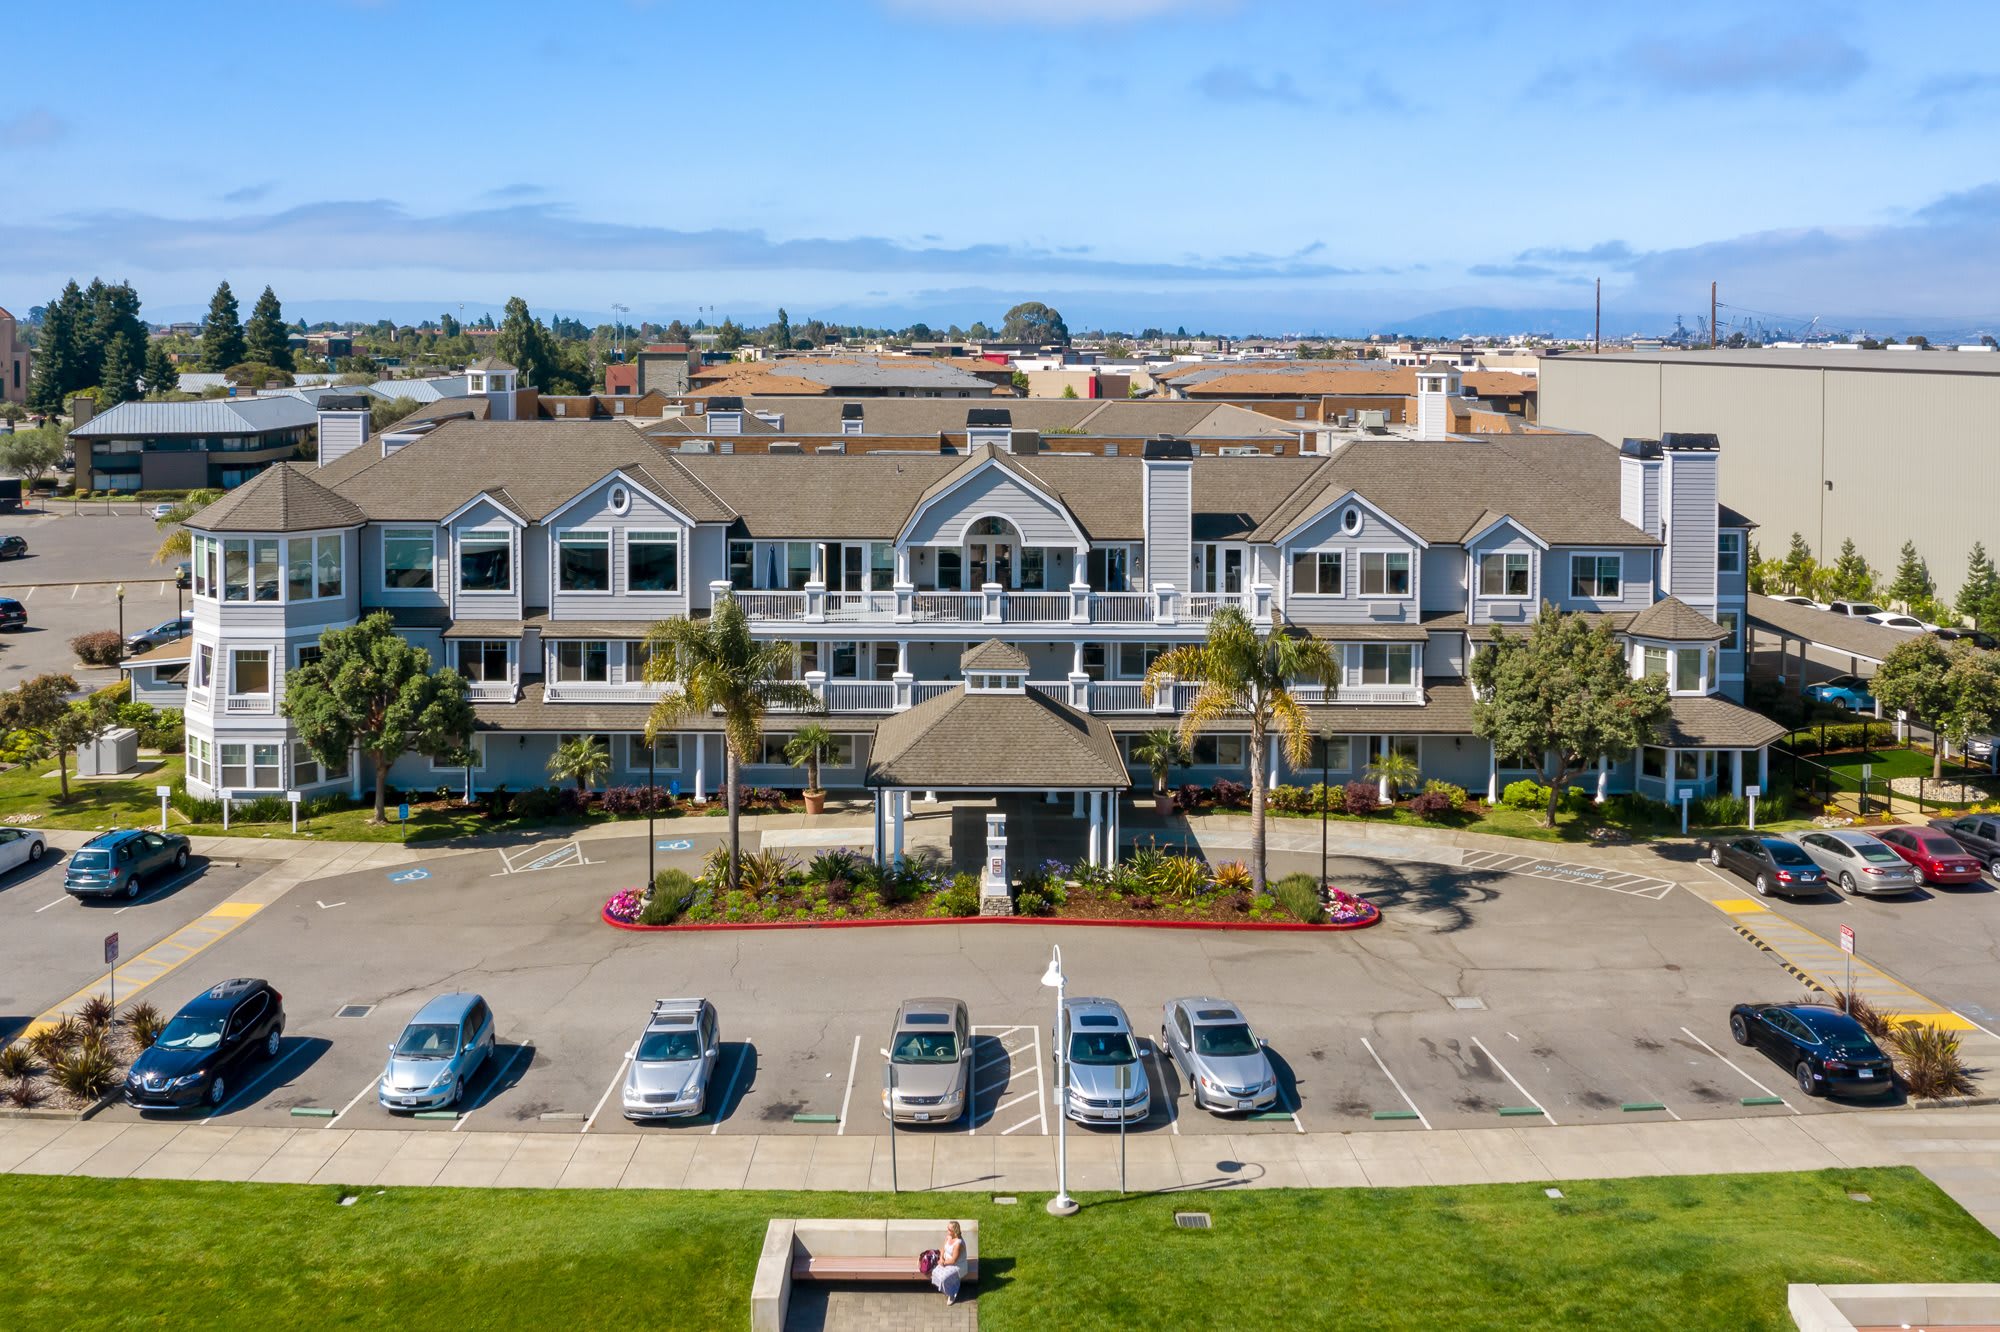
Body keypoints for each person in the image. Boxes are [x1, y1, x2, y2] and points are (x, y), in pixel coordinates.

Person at [931, 1220, 965, 1304]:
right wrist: (941, 1258)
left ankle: (952, 1294)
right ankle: (946, 1289)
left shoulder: (958, 1243)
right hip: (946, 1261)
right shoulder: (948, 1237)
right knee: (934, 1272)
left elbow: (954, 1260)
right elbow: (943, 1249)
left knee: (943, 1278)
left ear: (954, 1231)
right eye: (947, 1228)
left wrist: (943, 1263)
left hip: (957, 1265)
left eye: (949, 1229)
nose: (947, 1231)